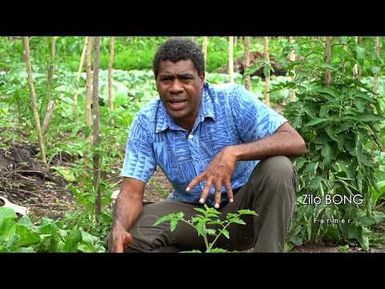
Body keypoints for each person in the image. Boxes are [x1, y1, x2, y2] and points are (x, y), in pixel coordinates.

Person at [108, 37, 306, 253]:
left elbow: (294, 140)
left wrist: (234, 153)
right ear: (156, 82)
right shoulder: (147, 122)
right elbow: (131, 192)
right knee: (131, 234)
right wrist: (118, 227)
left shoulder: (231, 100)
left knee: (278, 167)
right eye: (166, 79)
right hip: (189, 217)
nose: (175, 88)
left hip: (243, 213)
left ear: (201, 78)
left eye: (185, 78)